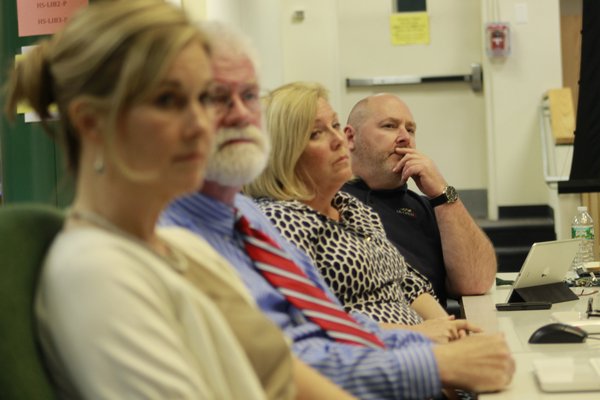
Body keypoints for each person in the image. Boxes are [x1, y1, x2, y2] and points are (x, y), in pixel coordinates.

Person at [4, 2, 355, 399]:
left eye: (204, 98)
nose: (200, 124)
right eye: (169, 101)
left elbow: (287, 377)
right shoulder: (97, 273)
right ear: (91, 123)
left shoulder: (186, 250)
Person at [161, 23, 514, 399]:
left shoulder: (257, 217)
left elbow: (330, 331)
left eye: (248, 96)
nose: (240, 115)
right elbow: (286, 358)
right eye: (214, 98)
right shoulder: (270, 221)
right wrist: (433, 362)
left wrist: (449, 342)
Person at [246, 82, 464, 332]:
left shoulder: (351, 207)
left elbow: (407, 282)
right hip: (374, 358)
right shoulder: (278, 220)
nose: (339, 139)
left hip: (423, 347)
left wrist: (451, 329)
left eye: (335, 126)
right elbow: (310, 323)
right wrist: (420, 334)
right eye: (317, 133)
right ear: (285, 152)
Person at [343, 94, 497, 307]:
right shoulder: (333, 203)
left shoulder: (429, 207)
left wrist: (443, 193)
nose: (405, 137)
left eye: (411, 129)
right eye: (389, 126)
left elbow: (476, 282)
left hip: (440, 333)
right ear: (350, 138)